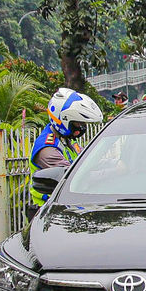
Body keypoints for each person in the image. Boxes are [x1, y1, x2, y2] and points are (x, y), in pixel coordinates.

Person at [27, 88, 104, 220]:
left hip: (68, 208)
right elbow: (74, 177)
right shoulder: (47, 149)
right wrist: (113, 171)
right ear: (63, 120)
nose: (81, 128)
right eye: (78, 123)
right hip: (49, 213)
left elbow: (88, 162)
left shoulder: (66, 141)